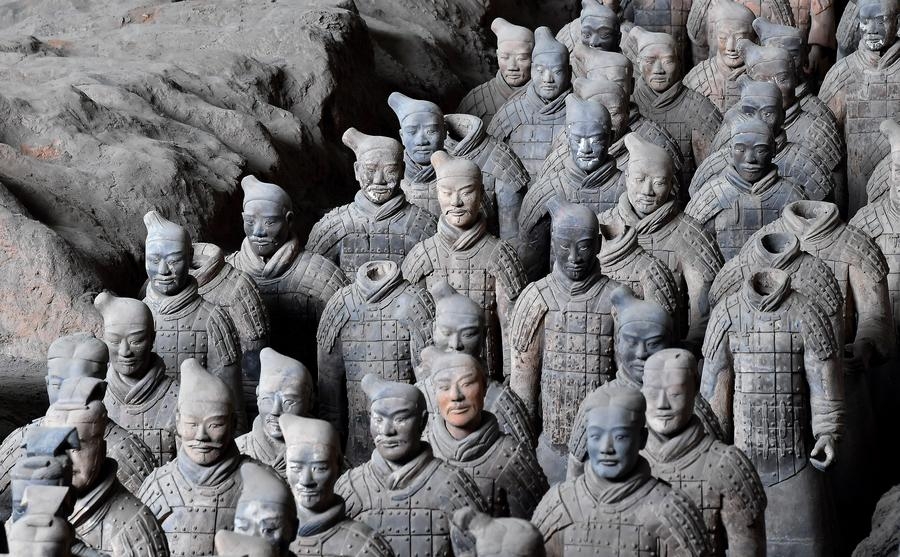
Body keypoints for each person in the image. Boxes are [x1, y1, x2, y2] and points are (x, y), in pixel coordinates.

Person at [510, 200, 621, 482]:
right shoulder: (536, 298)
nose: (574, 257)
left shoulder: (618, 299)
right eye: (563, 246)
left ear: (598, 244)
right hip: (550, 452)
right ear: (552, 243)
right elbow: (523, 393)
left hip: (607, 453)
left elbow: (630, 384)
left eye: (583, 247)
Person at [531, 384, 712, 556]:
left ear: (642, 438)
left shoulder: (670, 511)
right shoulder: (558, 505)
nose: (606, 448)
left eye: (620, 436)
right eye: (595, 436)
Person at [0, 333, 155, 521]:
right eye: (58, 384)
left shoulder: (127, 452)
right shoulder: (19, 441)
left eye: (79, 385)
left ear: (101, 389)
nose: (66, 395)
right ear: (47, 384)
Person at [402, 151, 528, 381]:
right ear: (436, 193)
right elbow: (414, 330)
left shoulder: (500, 255)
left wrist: (510, 378)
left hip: (486, 378)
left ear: (481, 193)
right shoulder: (422, 256)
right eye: (446, 193)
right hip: (435, 381)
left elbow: (512, 329)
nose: (456, 202)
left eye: (466, 192)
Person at [139, 358, 280, 556]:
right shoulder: (157, 486)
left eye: (215, 425)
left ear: (233, 423)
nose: (201, 436)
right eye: (192, 424)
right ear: (178, 422)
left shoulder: (265, 483)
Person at [335, 374, 487, 557]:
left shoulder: (452, 485)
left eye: (400, 419)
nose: (387, 431)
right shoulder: (351, 487)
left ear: (422, 421)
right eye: (378, 420)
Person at [641, 349, 767, 556]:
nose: (662, 405)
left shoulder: (727, 465)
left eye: (675, 394)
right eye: (653, 393)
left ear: (694, 390)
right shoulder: (628, 461)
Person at [227, 175, 349, 370]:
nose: (258, 232)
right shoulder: (227, 274)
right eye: (250, 221)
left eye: (269, 222)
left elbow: (344, 348)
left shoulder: (320, 276)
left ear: (289, 220)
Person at [43, 377, 169, 556]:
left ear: (102, 450)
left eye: (76, 447)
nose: (65, 460)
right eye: (55, 447)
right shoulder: (32, 507)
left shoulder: (135, 526)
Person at [425, 351, 547, 518]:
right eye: (444, 387)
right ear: (434, 393)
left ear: (484, 388)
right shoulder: (422, 452)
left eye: (467, 383)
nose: (455, 396)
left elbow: (534, 527)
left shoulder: (511, 456)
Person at [280, 414, 394, 556]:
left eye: (320, 468)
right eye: (296, 468)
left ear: (338, 465)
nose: (306, 481)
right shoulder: (271, 536)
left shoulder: (365, 547)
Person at [95, 292, 179, 465]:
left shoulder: (180, 397)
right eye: (114, 341)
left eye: (136, 341)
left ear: (152, 339)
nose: (125, 352)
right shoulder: (94, 396)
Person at [235, 348, 313, 479]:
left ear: (310, 401)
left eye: (288, 402)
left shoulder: (327, 453)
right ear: (258, 397)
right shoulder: (237, 452)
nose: (275, 411)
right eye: (267, 399)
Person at [456, 18, 534, 126]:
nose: (512, 67)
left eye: (521, 58)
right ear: (497, 56)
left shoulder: (548, 98)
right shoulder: (475, 100)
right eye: (504, 57)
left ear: (534, 58)